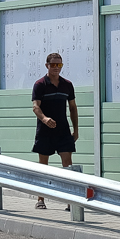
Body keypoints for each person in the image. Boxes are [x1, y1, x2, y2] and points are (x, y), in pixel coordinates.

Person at [32, 52, 78, 209]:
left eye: (59, 65)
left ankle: (70, 201)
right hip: (45, 132)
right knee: (43, 166)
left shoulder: (67, 85)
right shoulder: (40, 84)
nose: (56, 68)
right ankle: (40, 199)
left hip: (63, 131)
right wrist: (44, 119)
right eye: (53, 65)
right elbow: (35, 107)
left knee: (68, 165)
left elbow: (72, 108)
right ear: (47, 65)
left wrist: (76, 130)